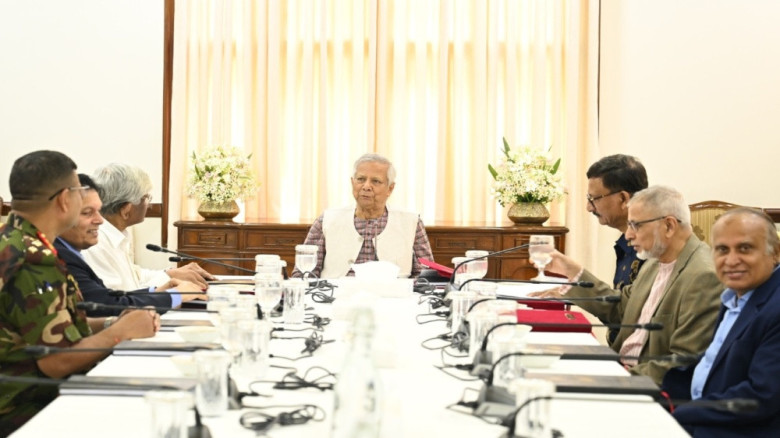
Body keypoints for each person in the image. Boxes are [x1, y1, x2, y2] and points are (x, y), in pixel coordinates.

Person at [0, 151, 161, 435]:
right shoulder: (33, 260)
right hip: (23, 408)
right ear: (65, 199)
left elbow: (52, 323)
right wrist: (120, 333)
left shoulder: (13, 239)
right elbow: (56, 361)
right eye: (79, 193)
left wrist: (112, 322)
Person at [531, 185, 723, 384]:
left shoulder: (703, 277)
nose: (628, 235)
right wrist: (574, 272)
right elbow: (621, 308)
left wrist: (611, 378)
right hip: (619, 367)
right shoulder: (654, 261)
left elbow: (682, 362)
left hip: (643, 385)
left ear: (669, 226)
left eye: (635, 225)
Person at [663, 208, 780, 437]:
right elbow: (717, 363)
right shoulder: (735, 296)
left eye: (745, 249)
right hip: (709, 416)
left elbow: (760, 397)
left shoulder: (775, 308)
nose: (732, 261)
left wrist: (684, 413)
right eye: (722, 250)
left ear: (775, 252)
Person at [54, 174, 206, 317]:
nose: (100, 220)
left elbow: (111, 294)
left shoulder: (81, 245)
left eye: (98, 211)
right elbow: (105, 305)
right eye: (87, 212)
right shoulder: (70, 253)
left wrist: (157, 290)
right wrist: (173, 296)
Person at [295, 153, 433, 278]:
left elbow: (426, 274)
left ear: (390, 188)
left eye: (375, 181)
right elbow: (304, 273)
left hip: (392, 295)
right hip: (336, 295)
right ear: (352, 183)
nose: (366, 186)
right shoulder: (327, 220)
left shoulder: (411, 222)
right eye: (361, 179)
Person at [82, 163, 215, 290]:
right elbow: (119, 297)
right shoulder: (95, 244)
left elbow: (135, 277)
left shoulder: (116, 235)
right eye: (146, 198)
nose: (149, 205)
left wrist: (171, 273)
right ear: (126, 210)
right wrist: (172, 290)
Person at [585, 154, 649, 342]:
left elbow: (627, 313)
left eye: (594, 199)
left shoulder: (653, 248)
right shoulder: (624, 242)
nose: (589, 207)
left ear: (623, 198)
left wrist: (575, 275)